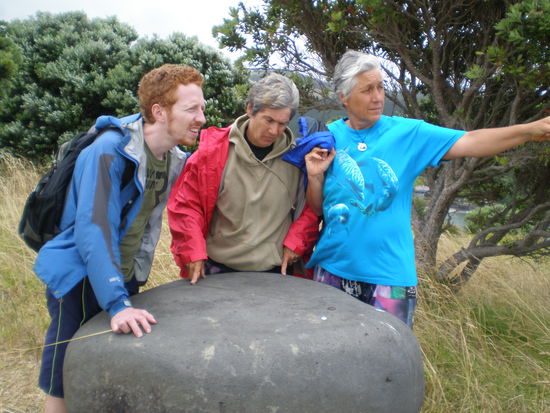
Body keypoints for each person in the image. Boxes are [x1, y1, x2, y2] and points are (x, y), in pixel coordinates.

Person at [304, 50, 550, 328]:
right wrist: (314, 178)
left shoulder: (408, 134)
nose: (378, 97)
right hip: (333, 272)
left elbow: (471, 141)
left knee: (391, 367)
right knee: (332, 362)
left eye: (381, 87)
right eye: (367, 90)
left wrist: (530, 130)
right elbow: (320, 209)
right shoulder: (328, 137)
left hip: (389, 279)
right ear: (343, 97)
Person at [34, 64, 206, 413]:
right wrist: (116, 302)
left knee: (105, 369)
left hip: (122, 276)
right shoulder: (110, 150)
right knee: (66, 376)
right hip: (80, 279)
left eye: (202, 107)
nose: (201, 117)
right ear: (159, 111)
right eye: (192, 109)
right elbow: (93, 229)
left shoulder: (171, 157)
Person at [167, 73, 319, 283]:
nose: (274, 130)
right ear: (249, 109)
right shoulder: (212, 153)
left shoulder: (298, 159)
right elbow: (186, 205)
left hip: (276, 273)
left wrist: (297, 242)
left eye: (283, 123)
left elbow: (312, 206)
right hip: (217, 270)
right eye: (268, 120)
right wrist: (192, 251)